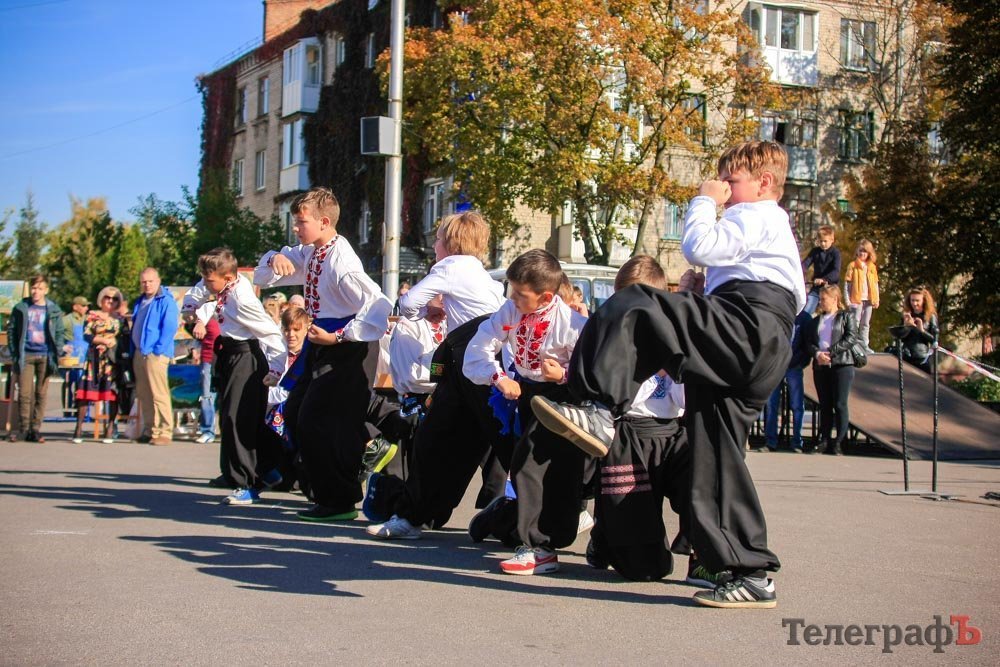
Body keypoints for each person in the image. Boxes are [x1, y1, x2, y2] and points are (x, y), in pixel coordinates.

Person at [531, 140, 805, 609]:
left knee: (634, 303)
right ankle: (750, 572)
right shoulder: (768, 227)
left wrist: (703, 200)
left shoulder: (757, 212)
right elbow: (743, 274)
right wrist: (704, 293)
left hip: (749, 325)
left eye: (731, 181)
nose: (724, 188)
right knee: (715, 457)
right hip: (761, 340)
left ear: (764, 183)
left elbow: (698, 245)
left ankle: (600, 408)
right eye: (721, 183)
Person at [364, 211, 507, 539]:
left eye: (439, 238)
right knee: (483, 441)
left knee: (435, 441)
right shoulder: (484, 277)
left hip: (469, 358)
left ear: (452, 243)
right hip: (481, 358)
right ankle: (420, 514)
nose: (434, 245)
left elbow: (406, 303)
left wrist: (422, 310)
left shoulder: (450, 267)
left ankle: (413, 517)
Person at [254, 187, 392, 521]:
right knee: (297, 411)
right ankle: (346, 472)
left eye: (301, 222)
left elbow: (379, 305)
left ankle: (341, 496)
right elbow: (262, 276)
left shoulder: (341, 262)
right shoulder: (312, 252)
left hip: (348, 346)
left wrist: (338, 336)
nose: (295, 229)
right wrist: (274, 258)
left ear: (324, 222)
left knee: (321, 419)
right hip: (321, 343)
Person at [460, 249, 588, 575]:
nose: (512, 298)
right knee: (528, 466)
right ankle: (543, 537)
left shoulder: (572, 324)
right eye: (511, 290)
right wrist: (498, 377)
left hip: (561, 400)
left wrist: (564, 375)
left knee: (531, 465)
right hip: (527, 394)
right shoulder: (511, 310)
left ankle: (538, 546)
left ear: (546, 296)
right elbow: (481, 344)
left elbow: (594, 370)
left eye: (520, 294)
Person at [583, 255, 693, 583]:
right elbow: (620, 396)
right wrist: (652, 366)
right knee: (646, 568)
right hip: (628, 434)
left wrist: (674, 370)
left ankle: (703, 552)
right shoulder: (613, 336)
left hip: (670, 433)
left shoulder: (672, 332)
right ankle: (605, 538)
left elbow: (685, 401)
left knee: (703, 481)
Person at [185, 248, 288, 504]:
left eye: (210, 279)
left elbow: (272, 334)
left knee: (239, 418)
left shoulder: (242, 300)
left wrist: (276, 369)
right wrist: (191, 306)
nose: (205, 283)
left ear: (228, 278)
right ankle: (246, 471)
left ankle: (248, 482)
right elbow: (202, 290)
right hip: (230, 354)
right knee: (230, 415)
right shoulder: (222, 285)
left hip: (247, 358)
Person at [803, 285, 860, 456]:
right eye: (820, 299)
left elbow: (850, 338)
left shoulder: (846, 317)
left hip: (841, 364)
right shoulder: (815, 321)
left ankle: (839, 442)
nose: (821, 302)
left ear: (835, 299)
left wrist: (831, 352)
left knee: (840, 403)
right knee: (825, 405)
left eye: (824, 299)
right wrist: (817, 354)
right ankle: (825, 440)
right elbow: (809, 342)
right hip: (821, 366)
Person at [7, 275, 64, 443]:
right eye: (33, 288)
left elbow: (59, 332)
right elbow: (12, 330)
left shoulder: (53, 309)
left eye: (40, 288)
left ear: (46, 290)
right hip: (26, 354)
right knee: (24, 393)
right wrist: (15, 353)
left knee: (41, 393)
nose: (36, 291)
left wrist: (58, 350)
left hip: (45, 355)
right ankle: (24, 429)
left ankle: (35, 429)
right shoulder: (21, 308)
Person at [130, 268, 178, 445]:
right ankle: (150, 430)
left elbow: (170, 327)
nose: (147, 285)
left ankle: (165, 432)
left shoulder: (165, 300)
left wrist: (158, 350)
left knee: (159, 394)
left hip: (155, 354)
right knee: (144, 394)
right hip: (139, 352)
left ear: (158, 281)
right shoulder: (140, 301)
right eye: (144, 281)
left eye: (150, 281)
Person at [71, 287, 124, 444]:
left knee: (112, 393)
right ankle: (78, 428)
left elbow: (125, 337)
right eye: (107, 297)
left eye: (114, 299)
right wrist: (103, 340)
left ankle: (110, 428)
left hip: (112, 360)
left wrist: (115, 343)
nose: (110, 301)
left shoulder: (120, 319)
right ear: (101, 299)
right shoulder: (92, 316)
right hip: (94, 358)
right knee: (85, 394)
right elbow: (87, 335)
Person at [761, 309, 812, 452]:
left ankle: (797, 442)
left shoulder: (804, 318)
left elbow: (807, 344)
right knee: (771, 404)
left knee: (797, 405)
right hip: (776, 366)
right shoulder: (778, 313)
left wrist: (801, 362)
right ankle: (770, 441)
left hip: (794, 366)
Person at [189, 303, 220, 444]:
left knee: (226, 397)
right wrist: (195, 351)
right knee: (207, 396)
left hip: (226, 360)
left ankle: (226, 431)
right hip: (208, 360)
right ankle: (207, 431)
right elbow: (196, 337)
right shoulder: (204, 316)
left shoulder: (231, 313)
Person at [843, 239, 880, 353]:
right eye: (860, 251)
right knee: (855, 322)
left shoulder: (872, 267)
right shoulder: (852, 266)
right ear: (857, 252)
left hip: (869, 300)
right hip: (856, 300)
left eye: (865, 251)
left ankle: (865, 345)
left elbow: (875, 284)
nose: (862, 254)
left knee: (866, 323)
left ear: (869, 253)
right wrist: (848, 301)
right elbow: (847, 284)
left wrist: (877, 299)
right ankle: (853, 344)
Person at [801, 225, 841, 315]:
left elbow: (836, 271)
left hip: (830, 288)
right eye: (820, 241)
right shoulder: (815, 252)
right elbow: (805, 264)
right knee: (807, 310)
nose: (822, 244)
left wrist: (824, 279)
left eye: (825, 241)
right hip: (817, 287)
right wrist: (798, 271)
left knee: (830, 311)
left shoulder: (835, 253)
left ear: (832, 240)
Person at [899, 287, 939, 373]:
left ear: (924, 301)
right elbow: (899, 338)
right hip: (906, 355)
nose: (914, 303)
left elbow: (935, 340)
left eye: (917, 301)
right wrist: (906, 327)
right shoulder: (907, 315)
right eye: (912, 300)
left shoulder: (930, 316)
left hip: (922, 357)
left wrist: (922, 330)